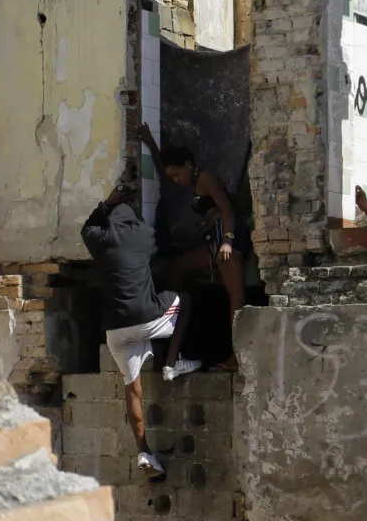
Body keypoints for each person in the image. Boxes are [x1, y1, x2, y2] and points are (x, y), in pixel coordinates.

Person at [81, 183, 193, 480]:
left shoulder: (100, 239)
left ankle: (144, 451)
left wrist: (107, 203)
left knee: (133, 391)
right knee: (184, 299)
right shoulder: (142, 234)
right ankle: (172, 362)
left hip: (115, 331)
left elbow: (87, 227)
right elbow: (161, 246)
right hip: (146, 320)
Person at [153, 141, 245, 319]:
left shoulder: (205, 178)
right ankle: (176, 321)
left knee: (235, 293)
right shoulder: (195, 182)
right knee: (176, 268)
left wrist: (227, 240)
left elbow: (226, 207)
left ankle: (238, 337)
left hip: (226, 234)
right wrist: (149, 140)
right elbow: (164, 172)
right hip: (215, 237)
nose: (176, 180)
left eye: (177, 174)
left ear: (187, 164)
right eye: (172, 178)